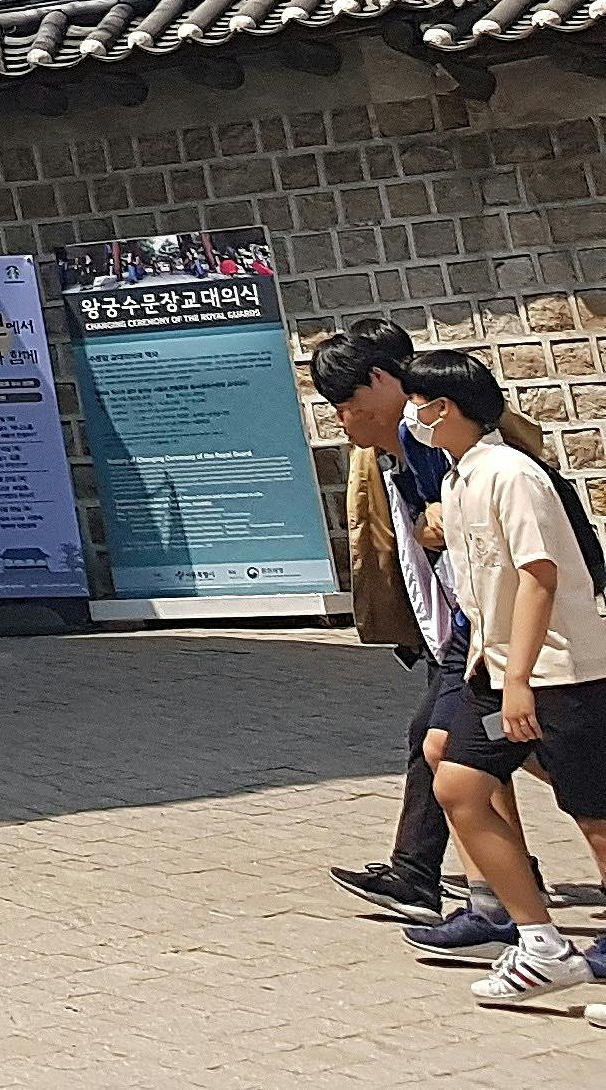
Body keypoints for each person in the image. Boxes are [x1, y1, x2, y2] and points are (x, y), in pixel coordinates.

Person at [401, 347, 606, 1011]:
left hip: (560, 672)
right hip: (492, 669)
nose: (413, 415)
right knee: (456, 779)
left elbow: (539, 577)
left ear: (445, 408)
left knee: (594, 815)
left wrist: (520, 681)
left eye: (418, 403)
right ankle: (541, 943)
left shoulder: (512, 475)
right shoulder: (459, 480)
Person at [311, 322, 475, 927]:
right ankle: (466, 880)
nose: (341, 417)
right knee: (454, 747)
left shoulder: (432, 438)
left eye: (346, 401)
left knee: (458, 745)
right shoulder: (392, 446)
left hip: (483, 625)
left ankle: (449, 883)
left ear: (382, 380)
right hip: (455, 625)